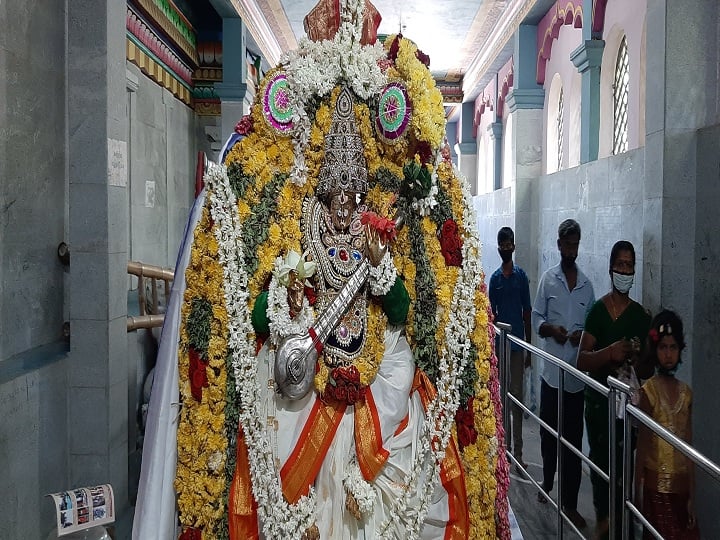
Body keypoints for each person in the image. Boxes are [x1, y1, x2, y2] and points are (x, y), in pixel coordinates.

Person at [132, 1, 508, 538]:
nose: (345, 206)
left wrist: (382, 274)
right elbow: (255, 315)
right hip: (304, 383)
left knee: (400, 395)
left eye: (354, 194)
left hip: (373, 376)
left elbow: (402, 309)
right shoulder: (296, 223)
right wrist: (281, 302)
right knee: (278, 432)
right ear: (321, 189)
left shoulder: (378, 229)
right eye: (336, 194)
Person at [577, 240, 653, 539]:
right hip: (598, 406)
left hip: (626, 411)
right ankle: (604, 521)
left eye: (629, 265)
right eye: (620, 264)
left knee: (623, 471)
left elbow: (648, 370)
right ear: (611, 268)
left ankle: (619, 524)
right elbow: (581, 359)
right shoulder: (597, 311)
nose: (624, 270)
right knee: (601, 468)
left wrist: (637, 357)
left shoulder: (640, 316)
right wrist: (609, 353)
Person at [531, 219, 595, 529]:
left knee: (571, 441)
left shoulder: (586, 286)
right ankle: (547, 479)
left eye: (575, 245)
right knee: (547, 433)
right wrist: (552, 330)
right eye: (567, 245)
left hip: (574, 378)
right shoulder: (548, 280)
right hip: (551, 376)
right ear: (559, 245)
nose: (571, 250)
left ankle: (570, 504)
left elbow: (591, 329)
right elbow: (536, 317)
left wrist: (579, 337)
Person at [635, 310, 699, 539]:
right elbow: (642, 446)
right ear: (655, 350)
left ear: (680, 349)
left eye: (673, 347)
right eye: (663, 348)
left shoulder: (686, 394)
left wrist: (692, 493)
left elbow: (689, 447)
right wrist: (637, 489)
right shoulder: (649, 392)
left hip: (681, 490)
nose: (668, 354)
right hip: (655, 490)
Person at [489, 226, 532, 469]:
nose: (506, 248)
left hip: (517, 348)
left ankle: (519, 453)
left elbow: (527, 313)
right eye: (502, 244)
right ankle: (503, 451)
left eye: (509, 244)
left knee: (517, 399)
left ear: (514, 246)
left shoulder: (521, 277)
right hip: (499, 348)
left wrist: (529, 348)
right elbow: (490, 318)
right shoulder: (495, 280)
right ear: (499, 248)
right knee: (502, 398)